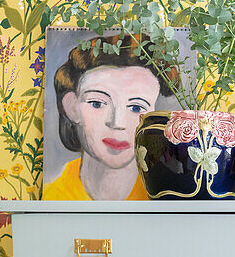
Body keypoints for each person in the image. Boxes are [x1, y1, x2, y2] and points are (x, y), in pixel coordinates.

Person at [43, 34, 178, 200]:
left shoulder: (166, 196)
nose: (117, 123)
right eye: (97, 104)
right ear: (71, 107)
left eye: (136, 108)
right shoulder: (54, 196)